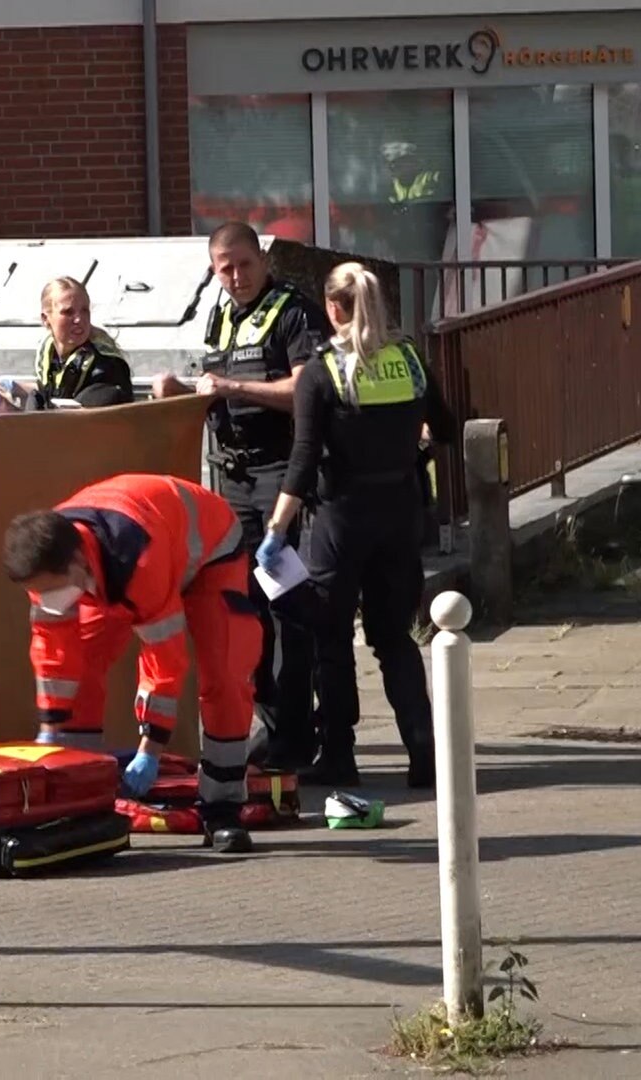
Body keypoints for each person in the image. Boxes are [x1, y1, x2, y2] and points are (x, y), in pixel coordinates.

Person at [261, 262, 454, 789]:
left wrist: (276, 530)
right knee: (395, 637)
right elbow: (447, 427)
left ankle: (339, 756)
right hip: (401, 511)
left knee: (331, 636)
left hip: (341, 518)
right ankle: (423, 752)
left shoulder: (324, 370)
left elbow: (302, 460)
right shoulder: (410, 358)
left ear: (332, 308)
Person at [154, 221, 333, 772]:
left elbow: (305, 392)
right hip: (231, 480)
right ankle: (275, 724)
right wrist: (180, 395)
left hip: (281, 478)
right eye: (224, 268)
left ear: (263, 259)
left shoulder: (292, 310)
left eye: (244, 264)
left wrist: (232, 388)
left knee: (287, 610)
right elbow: (216, 391)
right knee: (241, 608)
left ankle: (300, 735)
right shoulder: (221, 316)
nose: (236, 276)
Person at [2, 474, 260, 854]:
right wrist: (52, 730)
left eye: (50, 589)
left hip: (211, 552)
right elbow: (54, 655)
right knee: (85, 663)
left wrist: (150, 751)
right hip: (130, 545)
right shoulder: (47, 559)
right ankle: (82, 799)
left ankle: (223, 807)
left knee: (225, 674)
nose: (46, 598)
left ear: (76, 564)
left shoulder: (139, 559)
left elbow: (165, 663)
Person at [27, 277, 134, 407]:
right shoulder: (47, 352)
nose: (79, 319)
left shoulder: (106, 366)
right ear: (45, 319)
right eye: (68, 312)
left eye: (84, 311)